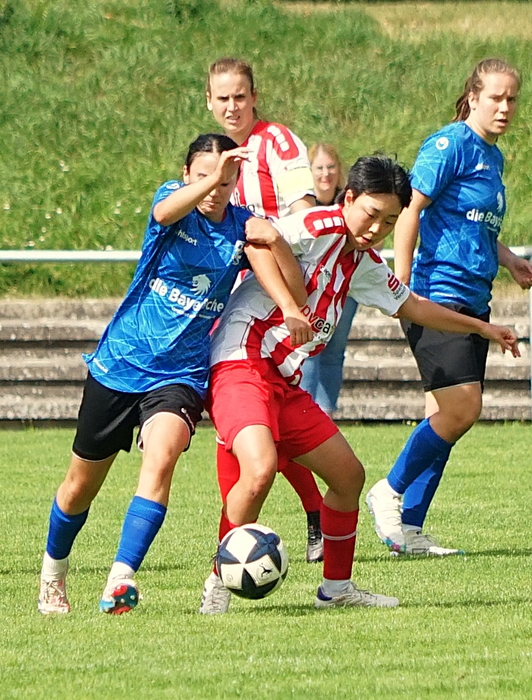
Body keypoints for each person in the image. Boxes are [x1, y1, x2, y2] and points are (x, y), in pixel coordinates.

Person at [198, 155, 521, 614]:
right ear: (348, 198)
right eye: (371, 214)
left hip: (283, 380)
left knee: (348, 476)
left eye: (389, 221)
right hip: (241, 360)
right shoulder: (317, 224)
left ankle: (337, 590)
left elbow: (412, 306)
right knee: (260, 470)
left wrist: (482, 328)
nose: (376, 228)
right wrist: (289, 305)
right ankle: (218, 581)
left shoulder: (362, 263)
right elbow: (257, 238)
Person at [37, 133, 307, 615]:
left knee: (160, 460)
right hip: (121, 363)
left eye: (225, 181)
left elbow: (289, 282)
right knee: (79, 487)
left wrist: (280, 265)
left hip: (179, 375)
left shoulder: (241, 226)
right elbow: (164, 213)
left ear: (236, 183)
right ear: (186, 176)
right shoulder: (172, 202)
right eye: (203, 177)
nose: (214, 189)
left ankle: (121, 577)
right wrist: (210, 178)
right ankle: (53, 574)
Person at [365, 58, 532, 557]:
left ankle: (410, 530)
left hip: (474, 296)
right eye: (496, 98)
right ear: (474, 97)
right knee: (463, 408)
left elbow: (473, 225)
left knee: (445, 417)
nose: (504, 107)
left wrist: (509, 260)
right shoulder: (449, 145)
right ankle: (389, 490)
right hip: (438, 293)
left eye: (511, 99)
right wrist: (401, 284)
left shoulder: (492, 157)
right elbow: (409, 213)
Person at [206, 57, 326, 563]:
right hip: (231, 303)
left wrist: (293, 280)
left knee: (261, 418)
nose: (232, 106)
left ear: (255, 97)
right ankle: (247, 534)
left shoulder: (276, 143)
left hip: (276, 302)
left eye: (241, 96)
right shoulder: (212, 154)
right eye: (223, 98)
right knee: (243, 421)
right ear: (209, 101)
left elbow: (304, 214)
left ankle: (304, 516)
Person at [299, 142, 357, 415]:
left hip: (347, 287)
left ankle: (327, 413)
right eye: (319, 168)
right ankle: (306, 411)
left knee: (335, 350)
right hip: (312, 287)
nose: (326, 173)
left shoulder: (350, 201)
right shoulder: (302, 205)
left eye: (331, 167)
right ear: (309, 171)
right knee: (310, 346)